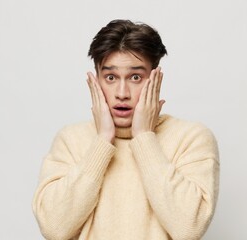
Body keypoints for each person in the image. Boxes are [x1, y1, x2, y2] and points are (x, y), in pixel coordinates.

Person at [32, 19, 219, 240]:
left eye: (136, 77)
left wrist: (143, 137)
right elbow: (54, 228)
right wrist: (102, 141)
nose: (122, 93)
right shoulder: (71, 139)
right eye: (110, 77)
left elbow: (189, 228)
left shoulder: (191, 138)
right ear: (96, 80)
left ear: (155, 78)